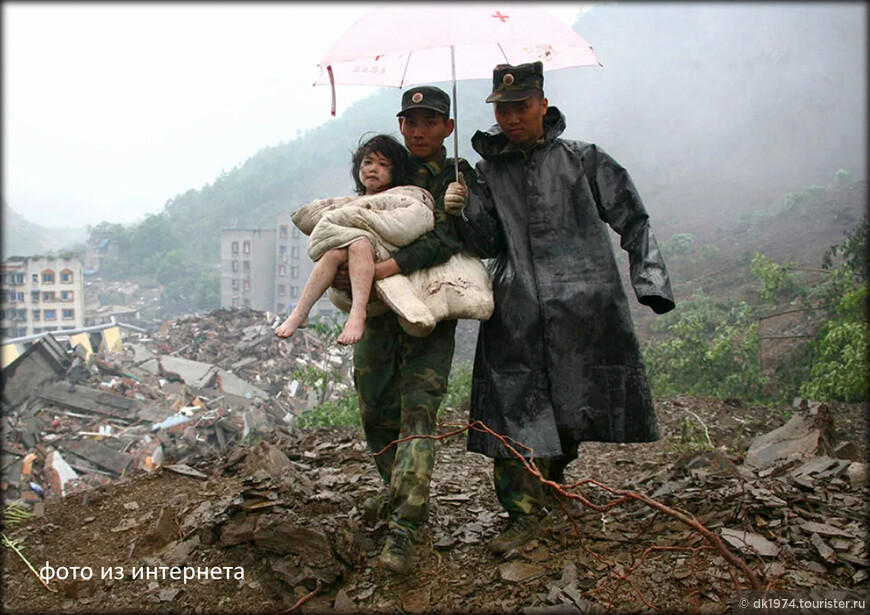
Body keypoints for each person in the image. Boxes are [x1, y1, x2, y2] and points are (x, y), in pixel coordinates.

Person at [444, 61, 675, 554]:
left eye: (520, 107)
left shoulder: (583, 160)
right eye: (502, 109)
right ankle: (522, 514)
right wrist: (464, 206)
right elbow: (486, 242)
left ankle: (550, 484)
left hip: (585, 306)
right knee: (512, 413)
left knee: (571, 408)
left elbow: (632, 217)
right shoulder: (485, 173)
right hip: (517, 309)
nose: (510, 118)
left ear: (543, 104)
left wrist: (649, 278)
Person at [336, 86, 477, 574]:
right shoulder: (388, 164)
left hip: (429, 313)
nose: (418, 130)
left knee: (418, 413)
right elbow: (360, 225)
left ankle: (405, 528)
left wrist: (460, 209)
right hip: (378, 313)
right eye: (410, 120)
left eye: (430, 121)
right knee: (375, 407)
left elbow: (448, 240)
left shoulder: (458, 176)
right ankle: (397, 492)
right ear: (400, 125)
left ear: (447, 128)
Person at [274, 134, 415, 345]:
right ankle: (300, 312)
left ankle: (357, 314)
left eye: (383, 164)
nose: (373, 169)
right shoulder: (351, 204)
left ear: (396, 172)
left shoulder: (399, 199)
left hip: (380, 254)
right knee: (333, 252)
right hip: (352, 256)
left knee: (359, 243)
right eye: (368, 162)